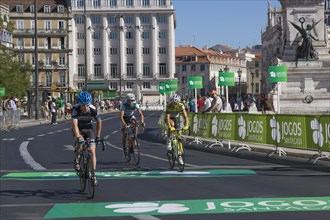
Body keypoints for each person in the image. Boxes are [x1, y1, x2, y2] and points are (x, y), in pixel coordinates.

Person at [72, 91, 102, 186]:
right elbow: (74, 124)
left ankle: (93, 174)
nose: (85, 107)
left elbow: (99, 122)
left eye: (87, 105)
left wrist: (97, 136)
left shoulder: (93, 109)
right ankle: (77, 158)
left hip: (88, 129)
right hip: (79, 129)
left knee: (93, 151)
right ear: (79, 104)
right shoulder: (75, 109)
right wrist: (77, 136)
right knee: (80, 142)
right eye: (83, 105)